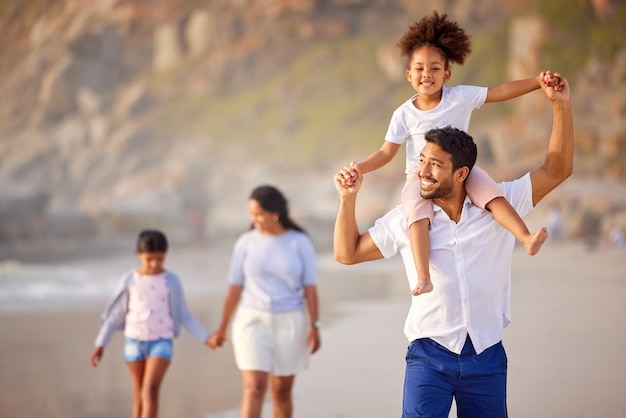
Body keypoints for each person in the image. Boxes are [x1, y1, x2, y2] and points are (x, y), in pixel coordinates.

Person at [333, 74, 572, 417]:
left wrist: (560, 106)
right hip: (428, 358)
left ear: (461, 174)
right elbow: (347, 253)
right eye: (422, 161)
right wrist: (347, 199)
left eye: (435, 165)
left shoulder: (500, 205)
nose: (423, 172)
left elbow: (557, 169)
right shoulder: (408, 218)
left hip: (486, 357)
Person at [345, 11, 557, 296]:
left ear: (447, 73)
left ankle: (525, 237)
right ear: (408, 75)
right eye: (419, 68)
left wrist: (536, 83)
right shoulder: (404, 114)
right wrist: (359, 168)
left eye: (434, 68)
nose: (426, 75)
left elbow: (500, 91)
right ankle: (423, 277)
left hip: (461, 170)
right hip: (420, 178)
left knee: (492, 195)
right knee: (415, 212)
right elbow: (386, 153)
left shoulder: (461, 97)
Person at [208, 185, 321, 418]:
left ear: (275, 212)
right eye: (251, 214)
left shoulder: (299, 242)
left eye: (259, 214)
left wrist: (314, 326)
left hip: (290, 321)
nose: (254, 219)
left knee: (281, 391)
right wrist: (221, 328)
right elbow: (234, 287)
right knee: (254, 388)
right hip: (251, 319)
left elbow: (310, 288)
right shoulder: (246, 242)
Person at [89, 229, 212, 418]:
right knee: (139, 396)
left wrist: (205, 337)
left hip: (161, 341)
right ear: (139, 255)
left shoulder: (171, 280)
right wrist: (100, 345)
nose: (155, 264)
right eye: (149, 259)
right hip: (134, 341)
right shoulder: (129, 280)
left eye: (160, 259)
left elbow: (184, 314)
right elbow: (114, 315)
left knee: (151, 390)